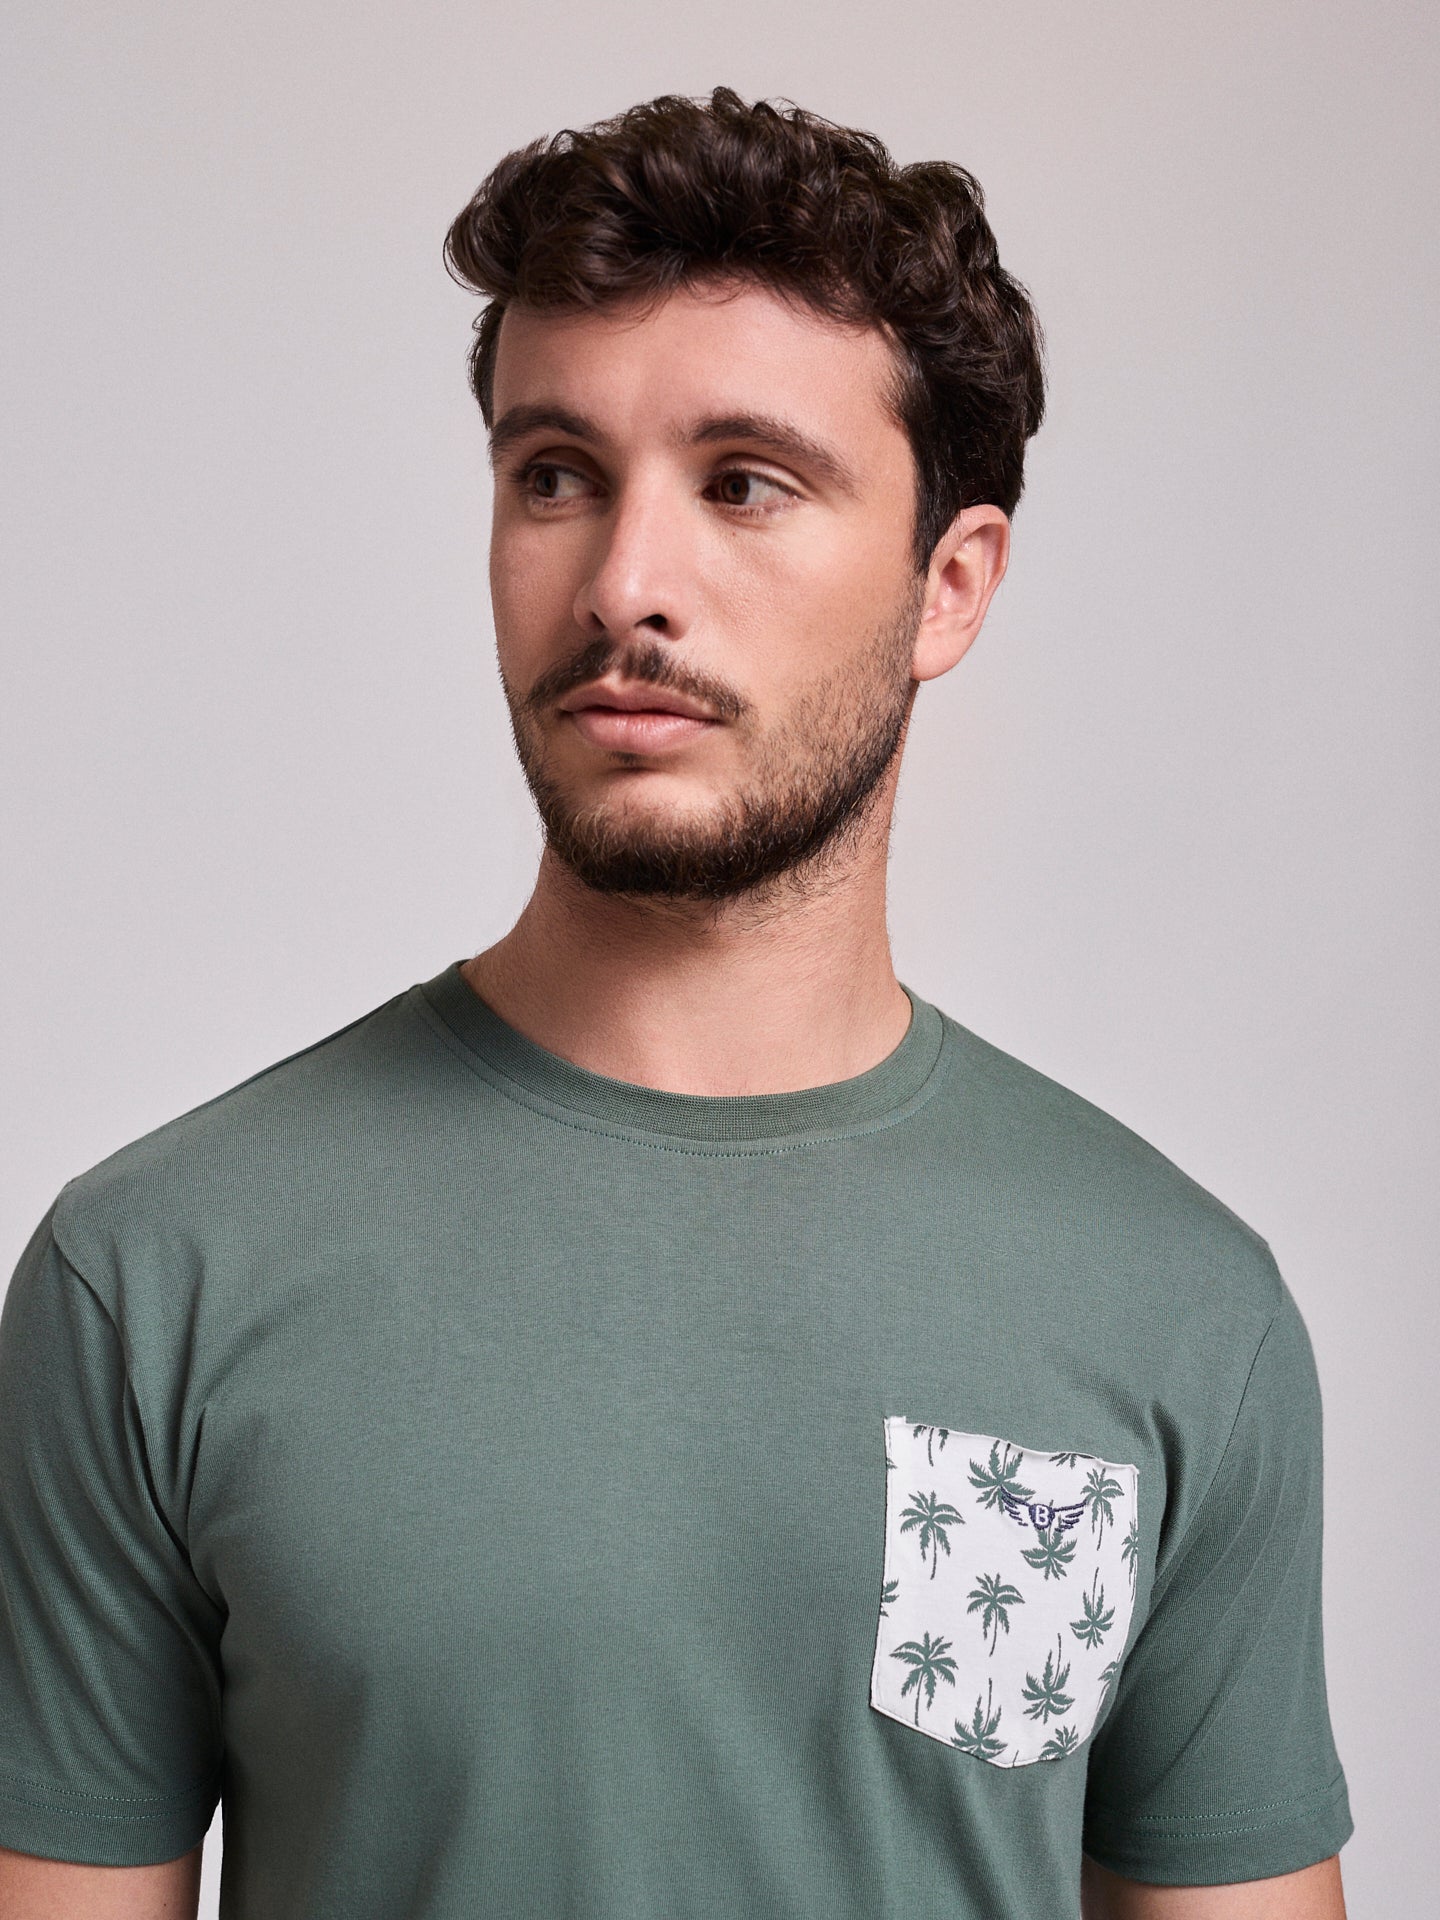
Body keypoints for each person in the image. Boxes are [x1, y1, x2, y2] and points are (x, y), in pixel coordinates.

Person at [0, 87, 1351, 1919]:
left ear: (949, 584)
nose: (625, 584)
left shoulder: (1175, 1311)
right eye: (554, 474)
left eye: (744, 484)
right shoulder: (157, 1276)